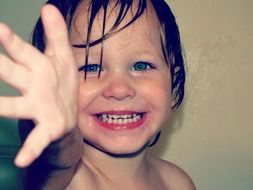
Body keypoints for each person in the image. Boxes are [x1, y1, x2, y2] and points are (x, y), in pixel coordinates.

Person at [0, 0, 196, 189]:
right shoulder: (67, 180)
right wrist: (59, 142)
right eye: (90, 67)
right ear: (56, 87)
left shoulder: (177, 182)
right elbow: (50, 169)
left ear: (174, 84)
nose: (119, 90)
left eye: (141, 65)